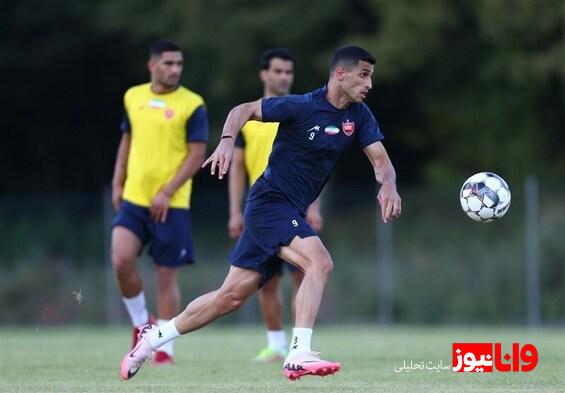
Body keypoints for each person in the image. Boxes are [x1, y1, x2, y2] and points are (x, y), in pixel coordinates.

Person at [120, 45, 401, 381]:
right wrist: (226, 140)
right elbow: (243, 109)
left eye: (371, 76)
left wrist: (388, 186)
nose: (369, 84)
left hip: (285, 210)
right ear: (340, 73)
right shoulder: (302, 106)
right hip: (270, 203)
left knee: (228, 297)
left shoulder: (359, 116)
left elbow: (381, 161)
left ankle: (151, 340)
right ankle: (298, 352)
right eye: (364, 75)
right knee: (319, 261)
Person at [111, 39, 208, 366]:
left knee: (166, 275)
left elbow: (197, 154)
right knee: (122, 259)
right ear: (152, 65)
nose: (175, 69)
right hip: (135, 198)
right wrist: (117, 180)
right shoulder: (133, 96)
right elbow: (127, 139)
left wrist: (167, 191)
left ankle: (164, 347)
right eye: (168, 63)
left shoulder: (192, 104)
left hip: (173, 202)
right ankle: (141, 325)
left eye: (179, 64)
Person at [228, 48, 323, 363]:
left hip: (296, 208)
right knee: (264, 282)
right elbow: (237, 169)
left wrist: (315, 207)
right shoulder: (251, 118)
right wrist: (234, 211)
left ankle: (300, 344)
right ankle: (275, 343)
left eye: (288, 72)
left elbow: (315, 167)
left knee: (304, 273)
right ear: (264, 74)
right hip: (263, 211)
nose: (284, 77)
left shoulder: (300, 112)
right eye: (278, 71)